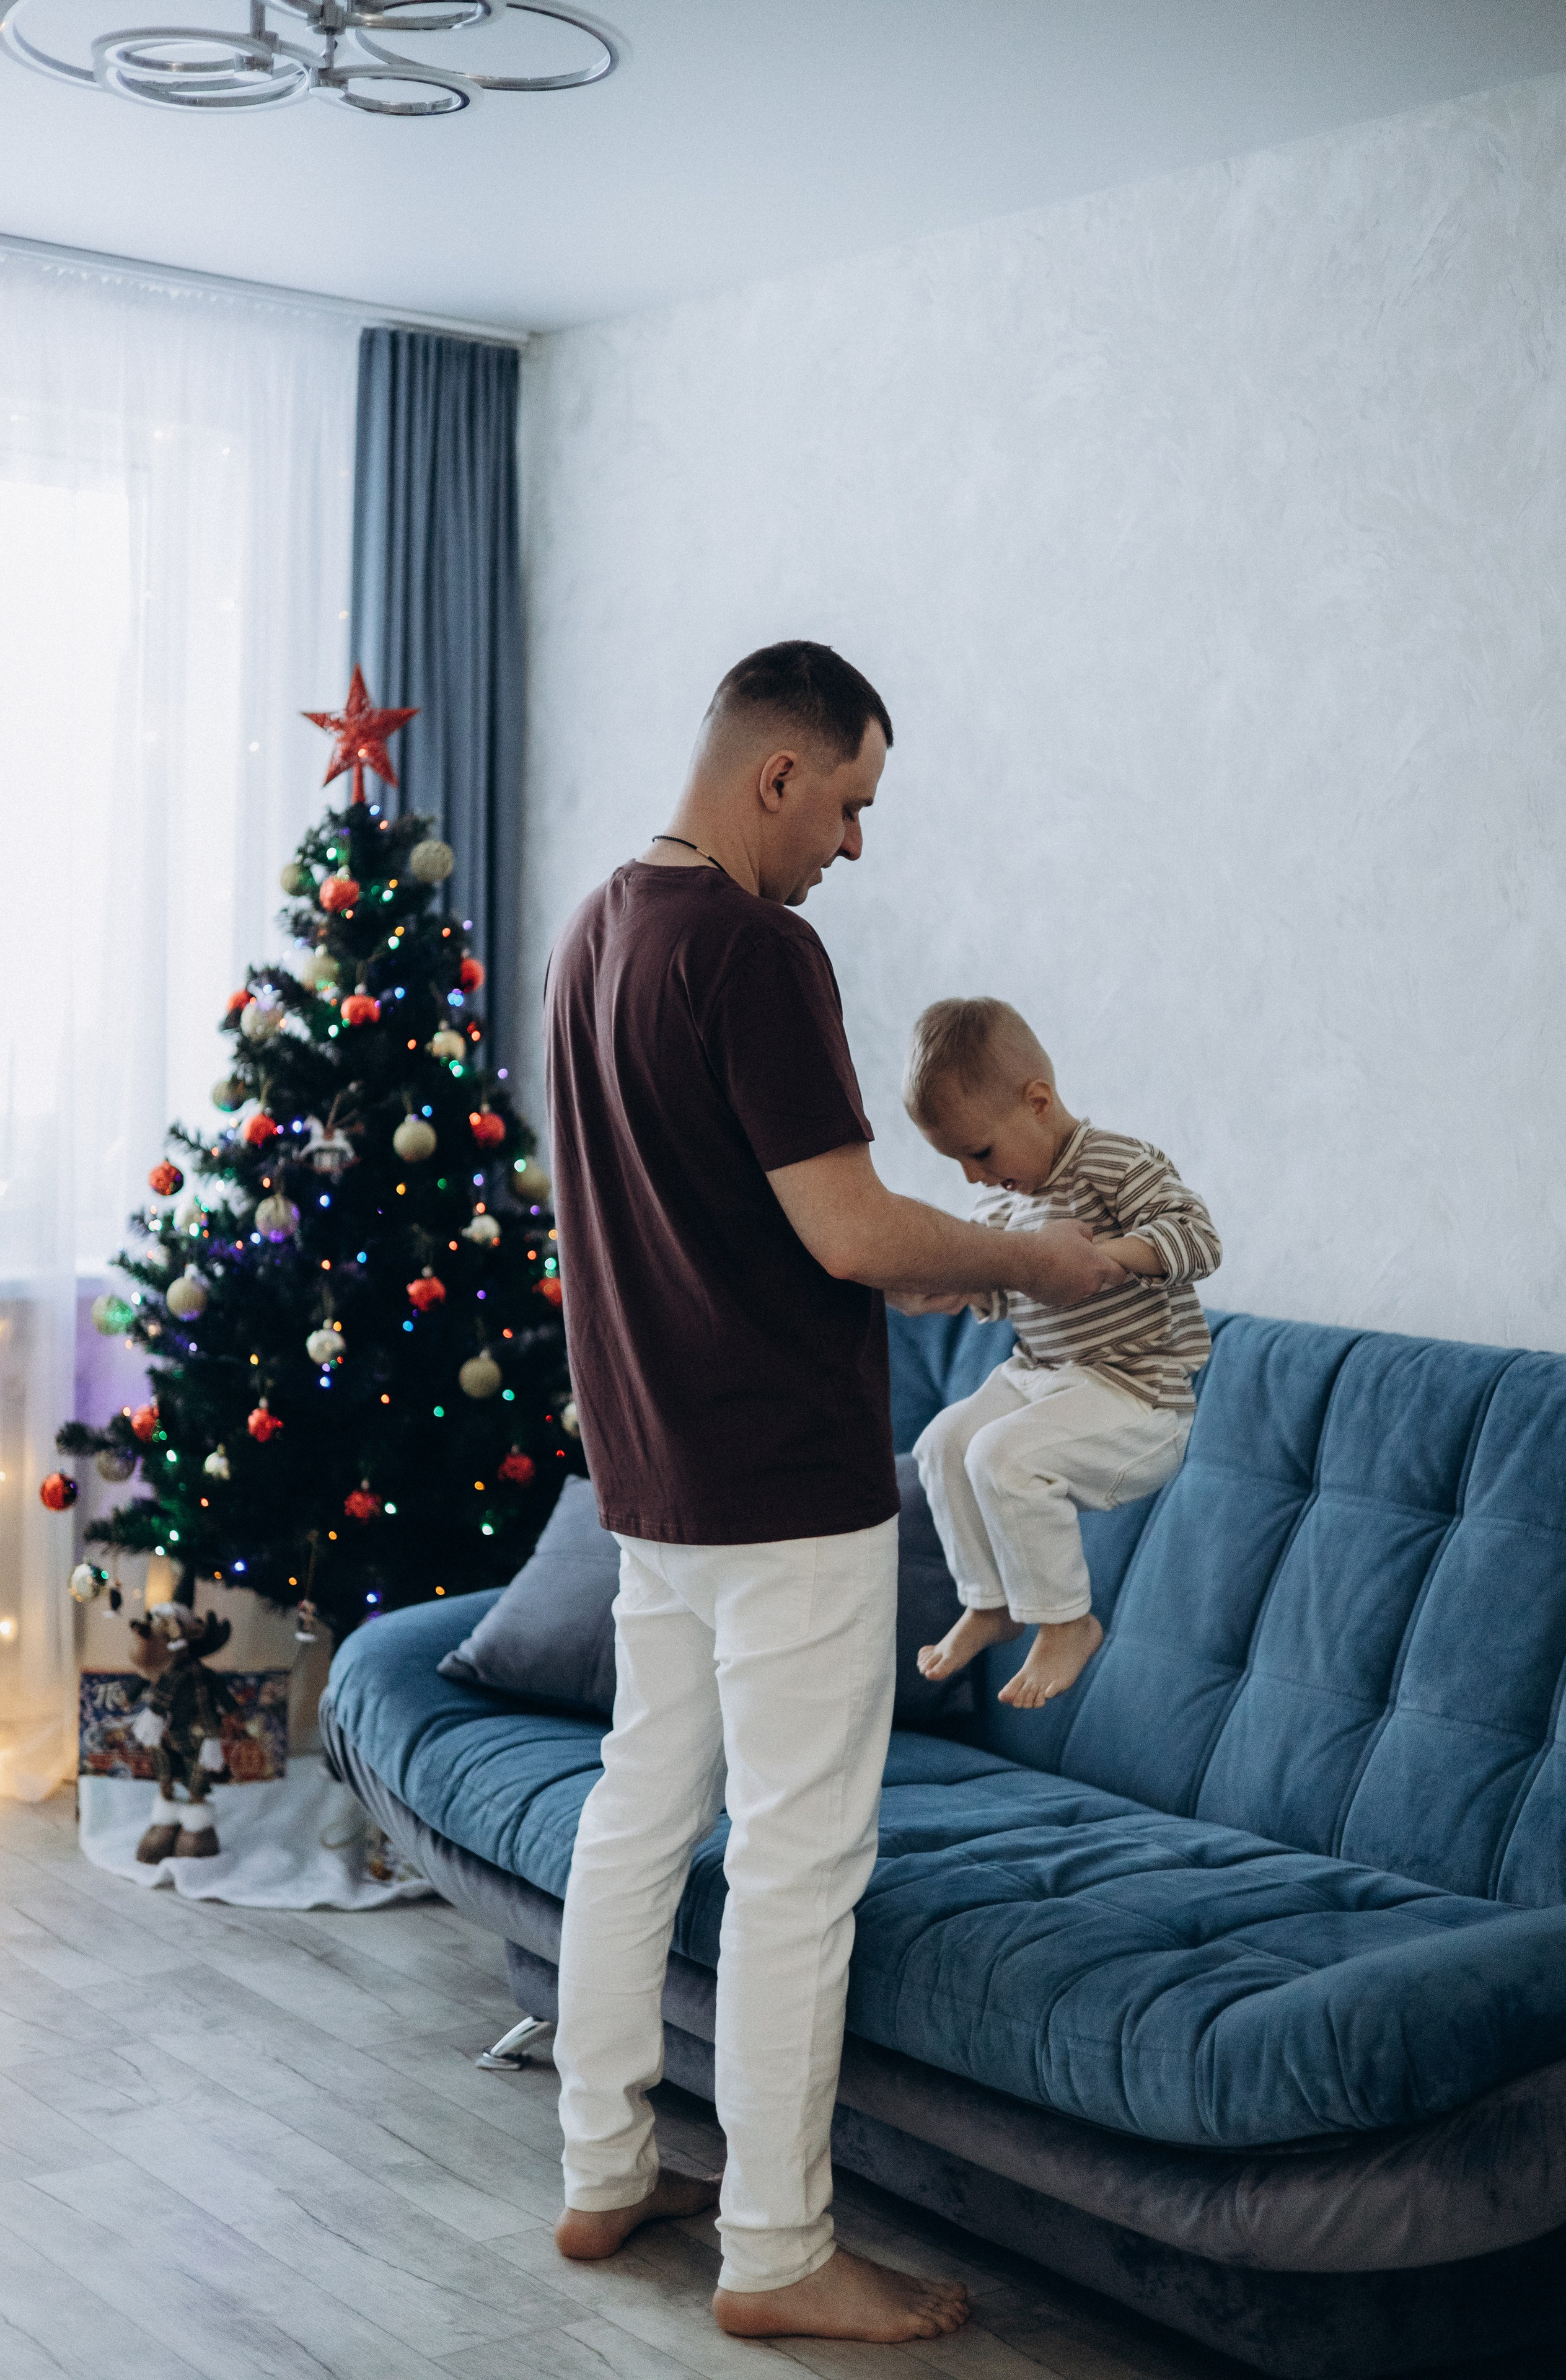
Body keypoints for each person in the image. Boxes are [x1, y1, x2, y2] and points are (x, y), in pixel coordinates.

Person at [542, 642, 1127, 2346]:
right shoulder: (752, 945)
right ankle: (780, 2249)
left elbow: (738, 1217)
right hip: (785, 1488)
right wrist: (1041, 1257)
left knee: (638, 1810)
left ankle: (601, 2167)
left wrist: (906, 1268)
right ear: (777, 773)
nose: (854, 849)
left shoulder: (600, 930)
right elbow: (850, 1226)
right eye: (852, 805)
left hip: (651, 1476)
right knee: (800, 1861)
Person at [904, 997, 1221, 1708]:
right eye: (954, 1161)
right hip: (1040, 1375)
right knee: (942, 1444)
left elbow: (1198, 1238)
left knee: (1001, 1456)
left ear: (1038, 1102)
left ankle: (1066, 1623)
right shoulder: (1002, 1205)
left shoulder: (1113, 1161)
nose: (973, 1178)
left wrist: (1108, 1259)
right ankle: (991, 1603)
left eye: (979, 1152)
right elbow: (999, 1296)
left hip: (1134, 1389)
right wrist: (951, 1289)